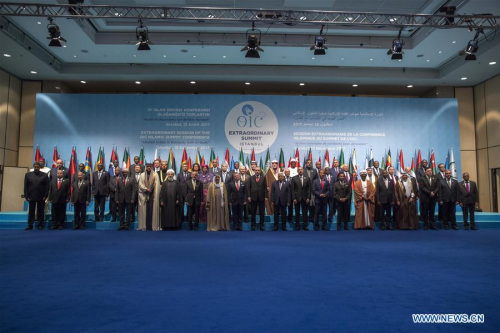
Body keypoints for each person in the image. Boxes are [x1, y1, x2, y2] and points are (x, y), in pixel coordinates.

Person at [24, 162, 50, 230]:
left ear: (39, 167)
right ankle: (30, 225)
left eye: (37, 167)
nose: (36, 168)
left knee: (40, 212)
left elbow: (47, 187)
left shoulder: (44, 175)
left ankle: (40, 225)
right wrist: (26, 196)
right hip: (31, 196)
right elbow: (26, 186)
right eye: (35, 167)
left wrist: (45, 196)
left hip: (41, 197)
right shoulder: (28, 175)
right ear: (33, 167)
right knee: (31, 212)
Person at [138, 163, 160, 231]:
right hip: (144, 195)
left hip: (152, 195)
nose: (149, 167)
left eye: (150, 166)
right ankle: (144, 226)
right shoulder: (142, 175)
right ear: (145, 167)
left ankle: (152, 226)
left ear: (152, 167)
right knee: (144, 211)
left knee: (151, 211)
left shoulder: (155, 175)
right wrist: (146, 189)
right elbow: (140, 184)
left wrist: (152, 191)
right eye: (147, 166)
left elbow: (157, 185)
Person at [247, 166, 267, 231]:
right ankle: (253, 225)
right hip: (253, 197)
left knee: (262, 212)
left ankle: (262, 225)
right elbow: (248, 188)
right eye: (256, 170)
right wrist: (249, 196)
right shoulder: (251, 178)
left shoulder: (264, 178)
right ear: (254, 171)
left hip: (261, 197)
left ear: (260, 171)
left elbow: (265, 188)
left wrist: (266, 197)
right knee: (253, 212)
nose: (257, 171)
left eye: (258, 170)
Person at [291, 166, 311, 231]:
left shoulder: (307, 178)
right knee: (297, 213)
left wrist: (308, 198)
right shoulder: (294, 178)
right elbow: (292, 190)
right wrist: (293, 198)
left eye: (301, 169)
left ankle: (305, 226)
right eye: (299, 170)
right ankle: (297, 226)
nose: (300, 171)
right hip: (297, 199)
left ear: (303, 170)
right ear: (297, 171)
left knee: (305, 213)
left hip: (305, 198)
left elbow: (309, 189)